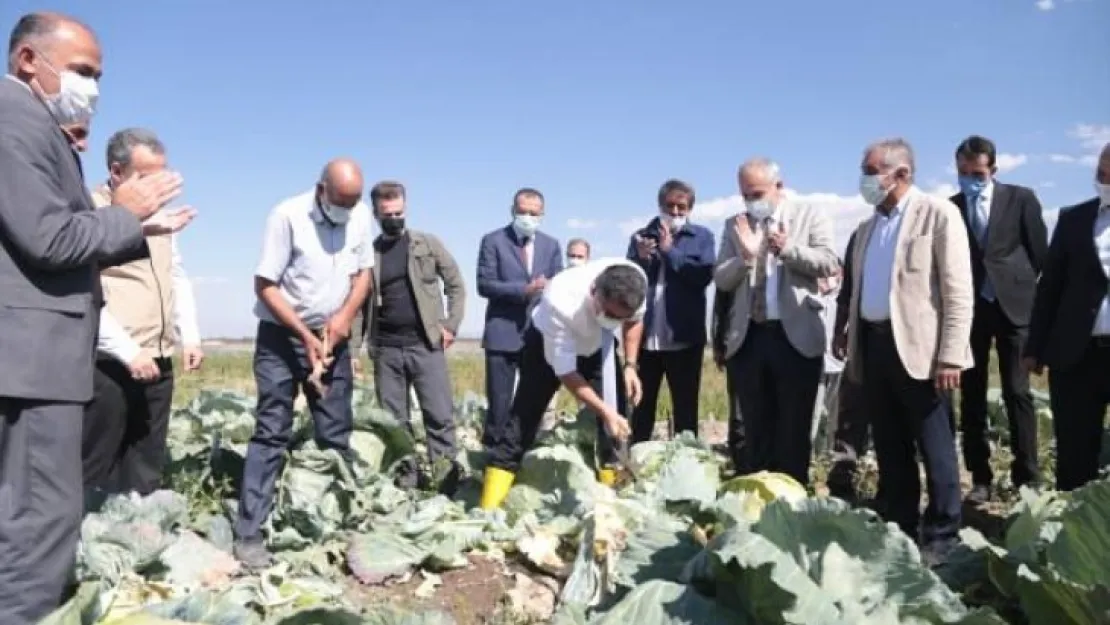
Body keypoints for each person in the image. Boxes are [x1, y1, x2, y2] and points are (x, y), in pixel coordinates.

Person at [0, 12, 190, 623]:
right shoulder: (13, 120)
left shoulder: (33, 127)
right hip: (32, 362)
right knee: (42, 519)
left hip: (38, 361)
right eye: (83, 71)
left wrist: (138, 225)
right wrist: (126, 213)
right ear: (30, 60)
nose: (94, 88)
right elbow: (48, 240)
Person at [837, 137, 972, 565]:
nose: (865, 178)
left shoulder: (937, 214)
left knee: (935, 446)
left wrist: (951, 354)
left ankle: (943, 534)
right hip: (874, 346)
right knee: (890, 444)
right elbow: (857, 290)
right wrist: (847, 331)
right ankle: (899, 524)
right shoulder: (865, 229)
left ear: (902, 174)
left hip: (921, 350)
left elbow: (957, 290)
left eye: (872, 169)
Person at [235, 158, 374, 569]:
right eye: (340, 203)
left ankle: (337, 520)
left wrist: (345, 317)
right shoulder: (287, 216)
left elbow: (363, 273)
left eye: (353, 203)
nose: (346, 212)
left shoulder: (360, 216)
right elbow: (265, 285)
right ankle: (249, 532)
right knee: (272, 430)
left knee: (335, 430)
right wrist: (304, 335)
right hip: (282, 336)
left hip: (332, 336)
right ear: (321, 191)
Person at [83, 128, 204, 495]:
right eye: (147, 177)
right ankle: (81, 544)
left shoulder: (162, 217)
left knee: (145, 461)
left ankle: (138, 540)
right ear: (117, 173)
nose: (158, 186)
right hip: (110, 363)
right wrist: (127, 350)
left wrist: (190, 336)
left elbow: (175, 274)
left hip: (157, 358)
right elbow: (80, 291)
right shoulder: (89, 211)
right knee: (96, 463)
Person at [479, 259, 645, 509]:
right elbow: (566, 372)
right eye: (610, 315)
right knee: (523, 420)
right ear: (595, 293)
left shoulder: (637, 282)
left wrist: (630, 366)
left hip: (598, 348)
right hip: (546, 350)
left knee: (616, 422)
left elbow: (635, 322)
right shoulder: (561, 299)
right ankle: (488, 509)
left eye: (620, 317)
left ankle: (613, 505)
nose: (615, 321)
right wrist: (604, 411)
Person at [713, 158, 838, 486]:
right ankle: (758, 496)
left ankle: (793, 496)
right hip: (750, 338)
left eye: (757, 193)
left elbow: (828, 262)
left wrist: (788, 249)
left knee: (793, 428)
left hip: (794, 336)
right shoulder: (735, 225)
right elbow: (722, 279)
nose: (751, 202)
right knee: (755, 428)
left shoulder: (810, 214)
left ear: (778, 187)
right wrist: (745, 258)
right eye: (745, 196)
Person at [948, 135, 1049, 503]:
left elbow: (1040, 255)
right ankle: (980, 476)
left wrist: (1030, 301)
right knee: (971, 396)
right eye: (962, 172)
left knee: (1017, 392)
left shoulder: (1020, 199)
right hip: (970, 310)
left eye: (976, 172)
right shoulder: (951, 207)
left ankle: (1028, 478)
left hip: (1014, 307)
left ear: (992, 170)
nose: (969, 179)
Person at [351, 180, 467, 492]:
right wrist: (353, 351)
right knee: (394, 424)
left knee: (439, 417)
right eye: (387, 214)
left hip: (425, 346)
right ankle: (406, 487)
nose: (394, 219)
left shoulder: (427, 244)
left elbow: (455, 284)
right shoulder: (368, 255)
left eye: (398, 213)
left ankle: (447, 485)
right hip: (386, 350)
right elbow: (359, 307)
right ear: (376, 214)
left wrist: (451, 324)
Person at [1023, 142, 1110, 492]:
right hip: (1077, 354)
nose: (1103, 182)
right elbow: (1050, 287)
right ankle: (1069, 533)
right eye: (1101, 174)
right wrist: (1034, 347)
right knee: (1075, 450)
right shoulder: (1074, 218)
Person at [476, 188, 562, 481]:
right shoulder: (493, 241)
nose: (527, 217)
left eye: (533, 213)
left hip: (537, 335)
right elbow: (485, 284)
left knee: (531, 401)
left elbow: (560, 283)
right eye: (522, 211)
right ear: (512, 210)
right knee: (499, 403)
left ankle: (522, 459)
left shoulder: (551, 246)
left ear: (542, 215)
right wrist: (522, 290)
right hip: (502, 332)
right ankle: (493, 463)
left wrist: (548, 287)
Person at [625, 179, 716, 444]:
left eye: (682, 207)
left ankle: (686, 459)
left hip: (684, 338)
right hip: (646, 339)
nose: (675, 212)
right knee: (642, 407)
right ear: (660, 205)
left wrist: (669, 252)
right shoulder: (641, 236)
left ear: (690, 208)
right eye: (670, 206)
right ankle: (636, 460)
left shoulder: (702, 237)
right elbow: (627, 282)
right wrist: (641, 258)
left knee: (686, 409)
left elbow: (702, 276)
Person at [811, 266, 844, 449]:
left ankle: (831, 453)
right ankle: (814, 453)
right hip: (818, 363)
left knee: (836, 416)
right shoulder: (811, 294)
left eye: (832, 274)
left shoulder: (844, 297)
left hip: (839, 364)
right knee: (815, 414)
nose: (827, 279)